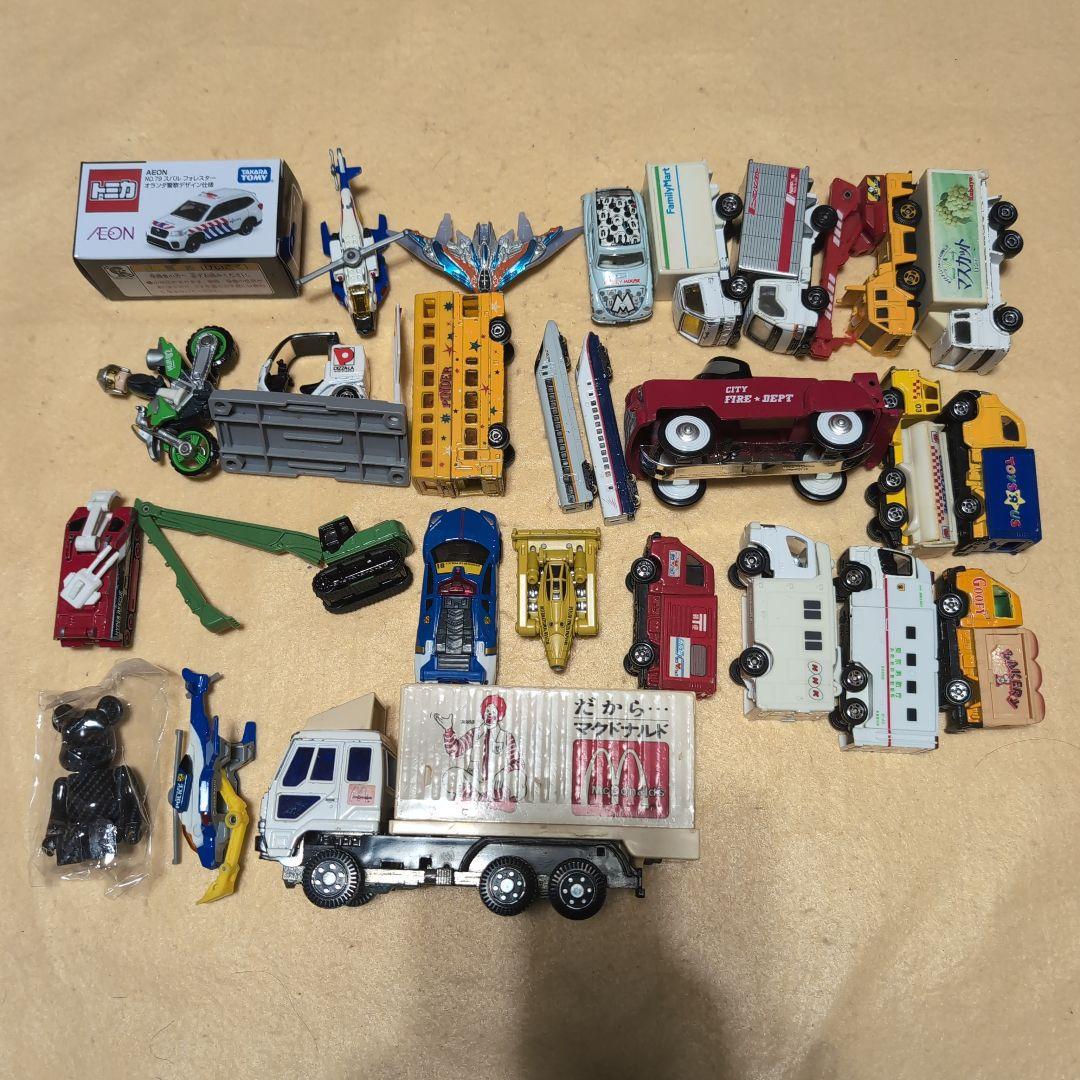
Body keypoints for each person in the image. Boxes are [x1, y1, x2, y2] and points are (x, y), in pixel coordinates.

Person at [434, 694, 523, 807]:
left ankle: (482, 796)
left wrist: (503, 773)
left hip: (496, 783)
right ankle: (485, 797)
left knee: (520, 782)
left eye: (493, 711)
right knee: (448, 775)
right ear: (483, 713)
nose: (490, 714)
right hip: (474, 781)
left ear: (499, 715)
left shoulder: (507, 737)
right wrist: (448, 730)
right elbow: (454, 750)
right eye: (487, 711)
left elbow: (517, 762)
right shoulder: (474, 733)